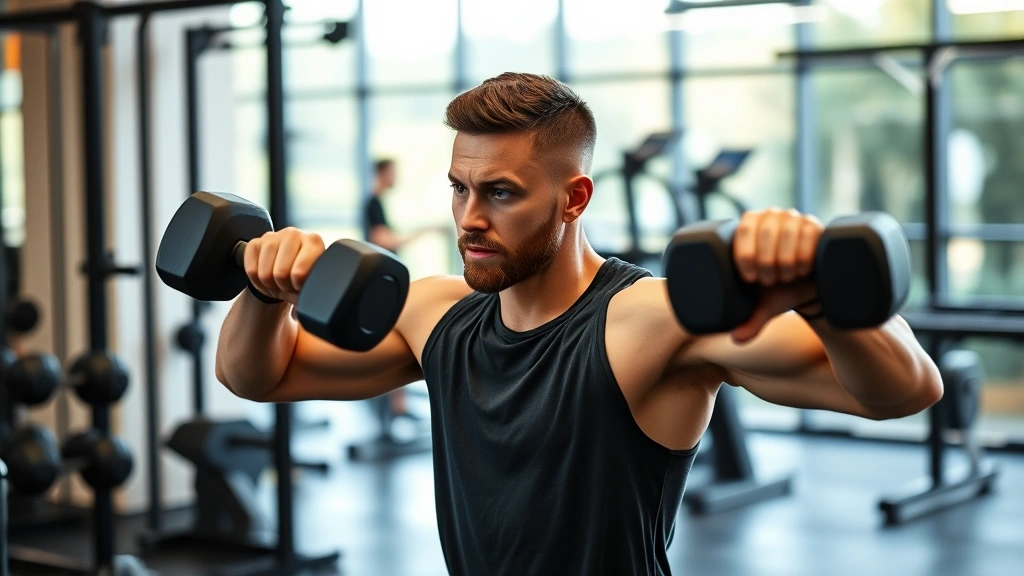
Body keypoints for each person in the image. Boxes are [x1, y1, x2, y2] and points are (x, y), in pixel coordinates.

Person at [215, 73, 943, 576]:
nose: (470, 218)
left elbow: (906, 392)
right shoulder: (436, 313)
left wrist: (818, 297)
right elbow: (258, 376)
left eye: (501, 193)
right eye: (459, 188)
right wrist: (265, 291)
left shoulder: (650, 320)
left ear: (575, 198)